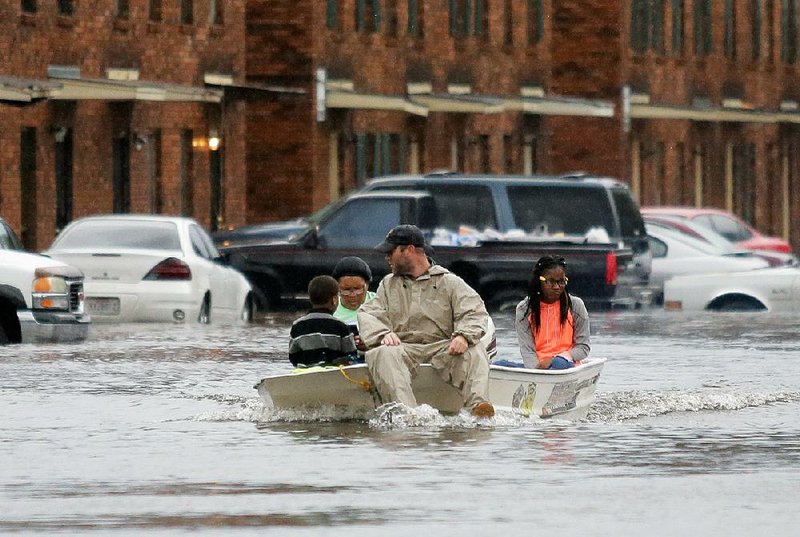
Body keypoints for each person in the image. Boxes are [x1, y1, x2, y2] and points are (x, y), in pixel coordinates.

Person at [357, 224, 495, 418]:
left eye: (391, 251)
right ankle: (406, 412)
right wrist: (383, 334)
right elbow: (368, 313)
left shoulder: (450, 282)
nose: (386, 257)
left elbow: (475, 312)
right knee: (380, 353)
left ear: (410, 250)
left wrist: (463, 336)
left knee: (475, 349)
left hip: (443, 348)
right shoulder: (388, 284)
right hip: (404, 349)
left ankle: (480, 407)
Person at [515, 255, 590, 369]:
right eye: (550, 282)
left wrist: (555, 359)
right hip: (537, 367)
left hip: (566, 364)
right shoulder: (524, 309)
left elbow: (583, 348)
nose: (556, 287)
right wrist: (535, 372)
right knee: (498, 365)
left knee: (558, 364)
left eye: (561, 282)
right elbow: (527, 350)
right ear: (539, 281)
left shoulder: (575, 305)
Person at [288, 275, 358, 367]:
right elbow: (351, 356)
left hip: (305, 375)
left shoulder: (297, 325)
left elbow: (293, 357)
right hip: (332, 375)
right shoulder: (341, 326)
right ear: (334, 300)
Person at [332, 256, 376, 352]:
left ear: (367, 285)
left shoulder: (380, 302)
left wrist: (372, 343)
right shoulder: (330, 306)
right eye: (346, 290)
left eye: (357, 289)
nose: (352, 295)